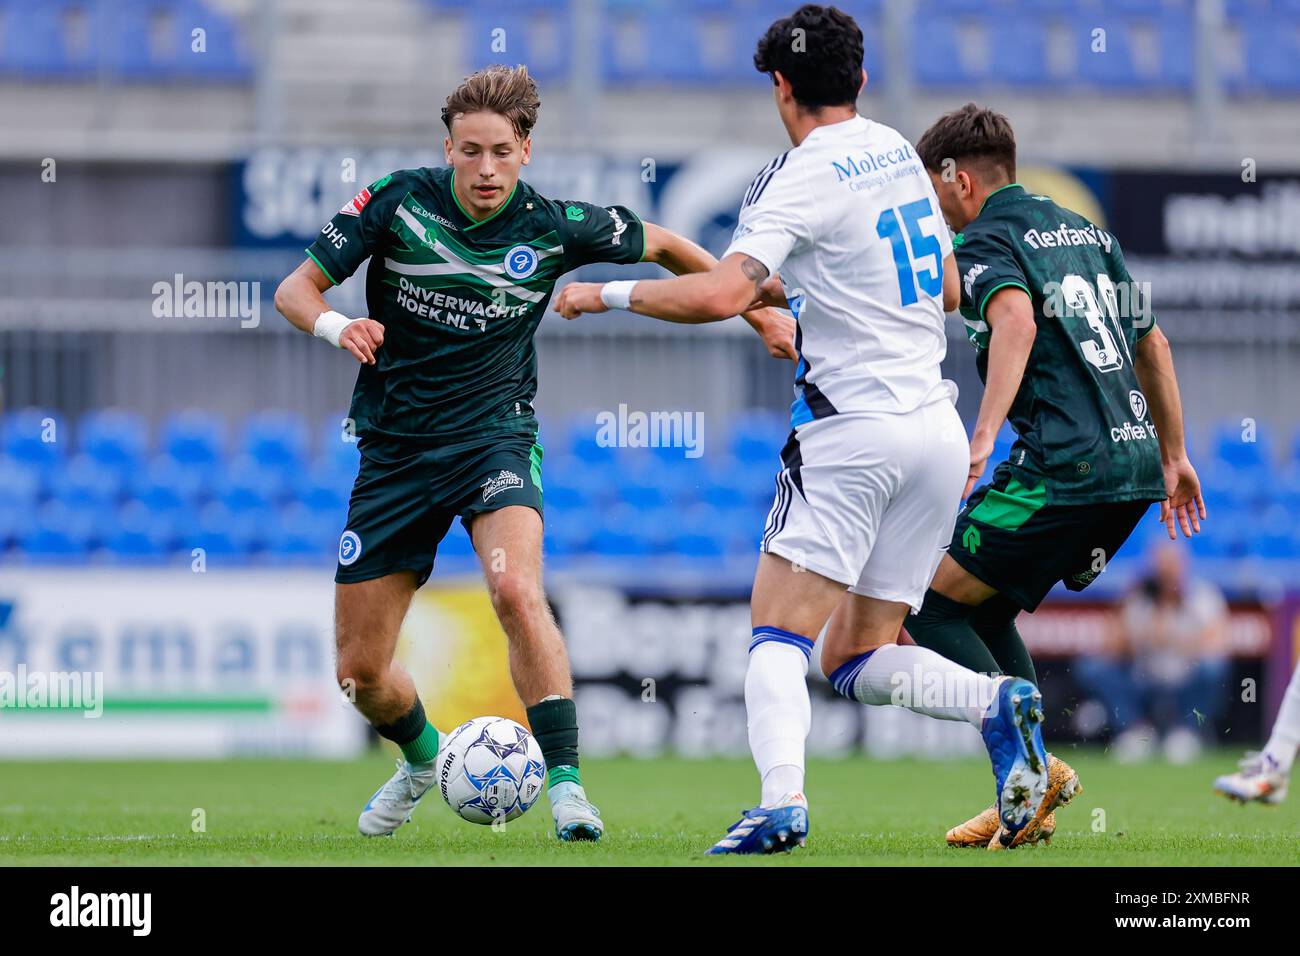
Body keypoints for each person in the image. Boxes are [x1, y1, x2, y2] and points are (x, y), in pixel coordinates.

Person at [555, 4, 1050, 855]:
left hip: (850, 433)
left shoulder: (796, 174)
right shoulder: (901, 150)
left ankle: (782, 803)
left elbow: (718, 294)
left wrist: (602, 293)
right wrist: (816, 296)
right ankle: (994, 699)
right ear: (859, 80)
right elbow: (946, 290)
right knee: (853, 656)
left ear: (779, 86)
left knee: (777, 635)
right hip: (933, 428)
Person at [274, 64, 794, 843]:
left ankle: (568, 788)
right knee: (361, 673)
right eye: (471, 151)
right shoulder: (396, 203)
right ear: (447, 149)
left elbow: (666, 246)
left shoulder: (555, 225)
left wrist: (752, 311)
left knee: (516, 592)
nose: (486, 169)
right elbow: (293, 289)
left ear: (527, 151)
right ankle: (421, 760)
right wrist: (335, 326)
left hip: (495, 438)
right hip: (395, 453)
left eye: (502, 152)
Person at [907, 103, 1205, 848]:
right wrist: (1174, 455)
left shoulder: (985, 241)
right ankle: (1031, 783)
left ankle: (1034, 769)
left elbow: (1016, 322)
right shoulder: (1088, 233)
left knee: (924, 605)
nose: (930, 208)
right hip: (1135, 463)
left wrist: (981, 434)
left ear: (961, 181)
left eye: (931, 191)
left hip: (1063, 465)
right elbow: (1155, 346)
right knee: (987, 605)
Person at [1075, 543, 1229, 763]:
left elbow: (1218, 643)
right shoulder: (1139, 598)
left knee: (1213, 668)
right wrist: (1138, 630)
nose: (1167, 573)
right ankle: (1134, 731)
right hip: (1144, 678)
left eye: (1172, 566)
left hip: (1185, 678)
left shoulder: (1202, 595)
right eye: (1161, 567)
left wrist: (1175, 639)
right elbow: (1112, 647)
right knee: (1094, 667)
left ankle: (1186, 733)